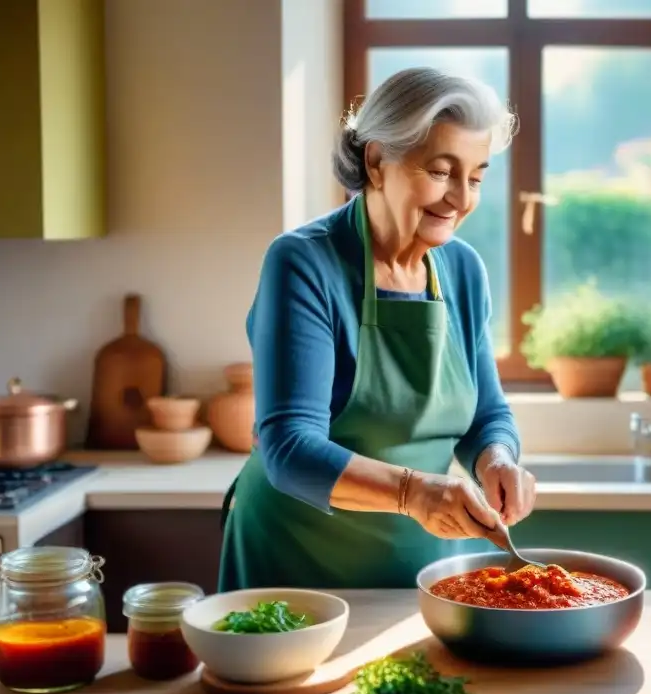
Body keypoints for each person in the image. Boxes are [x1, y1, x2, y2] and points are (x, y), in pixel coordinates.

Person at [218, 67, 537, 591]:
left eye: (476, 177)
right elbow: (289, 448)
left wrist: (497, 459)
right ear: (376, 160)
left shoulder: (463, 269)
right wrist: (416, 494)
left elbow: (486, 413)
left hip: (425, 559)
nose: (461, 198)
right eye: (440, 171)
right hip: (295, 560)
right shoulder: (304, 262)